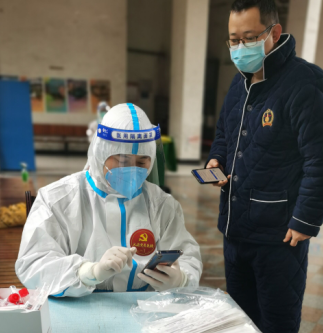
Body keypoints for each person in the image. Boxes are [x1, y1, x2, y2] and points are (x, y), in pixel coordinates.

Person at [206, 0, 323, 333]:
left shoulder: (306, 82)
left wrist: (305, 220)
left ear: (274, 33)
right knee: (240, 315)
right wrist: (216, 160)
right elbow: (224, 135)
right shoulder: (239, 84)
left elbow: (322, 159)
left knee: (276, 319)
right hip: (235, 227)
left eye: (249, 38)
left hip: (280, 234)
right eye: (234, 39)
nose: (240, 47)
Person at [16, 103, 202, 296]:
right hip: (79, 303)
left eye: (141, 162)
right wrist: (87, 273)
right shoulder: (58, 199)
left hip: (144, 305)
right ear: (100, 153)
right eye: (122, 161)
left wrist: (182, 279)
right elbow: (33, 262)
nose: (132, 170)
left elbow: (187, 255)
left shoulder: (161, 205)